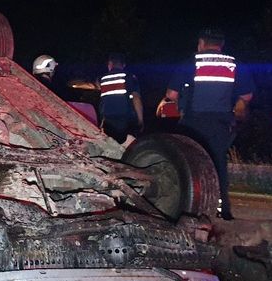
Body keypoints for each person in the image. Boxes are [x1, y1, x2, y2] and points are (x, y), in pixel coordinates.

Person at [163, 28, 254, 221]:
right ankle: (222, 210)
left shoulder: (192, 62)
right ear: (220, 45)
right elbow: (246, 96)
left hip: (192, 123)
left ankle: (187, 208)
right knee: (217, 163)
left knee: (188, 164)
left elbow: (171, 95)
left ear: (202, 43)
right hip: (221, 123)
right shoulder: (233, 64)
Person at [97, 53, 144, 147]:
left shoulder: (102, 79)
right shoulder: (129, 77)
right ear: (123, 65)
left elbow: (104, 101)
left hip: (108, 123)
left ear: (110, 64)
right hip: (126, 121)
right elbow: (136, 98)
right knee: (130, 150)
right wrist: (140, 119)